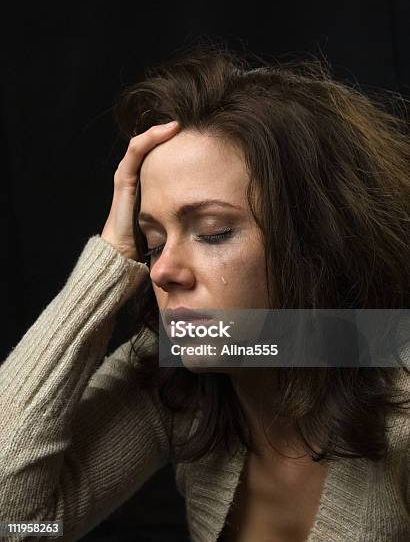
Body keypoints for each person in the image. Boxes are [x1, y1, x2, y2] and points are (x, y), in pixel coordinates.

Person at [1, 45, 410, 542]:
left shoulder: (400, 400)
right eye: (151, 243)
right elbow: (13, 523)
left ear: (315, 239)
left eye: (213, 232)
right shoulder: (171, 377)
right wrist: (109, 258)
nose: (163, 271)